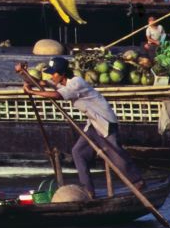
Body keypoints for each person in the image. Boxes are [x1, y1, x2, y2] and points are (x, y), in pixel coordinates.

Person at [24, 57, 144, 198]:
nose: (52, 76)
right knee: (78, 152)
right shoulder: (64, 82)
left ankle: (137, 181)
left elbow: (57, 95)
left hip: (105, 121)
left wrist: (33, 93)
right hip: (93, 123)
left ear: (62, 73)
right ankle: (88, 191)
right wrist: (23, 74)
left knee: (114, 154)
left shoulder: (76, 83)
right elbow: (41, 82)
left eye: (54, 73)